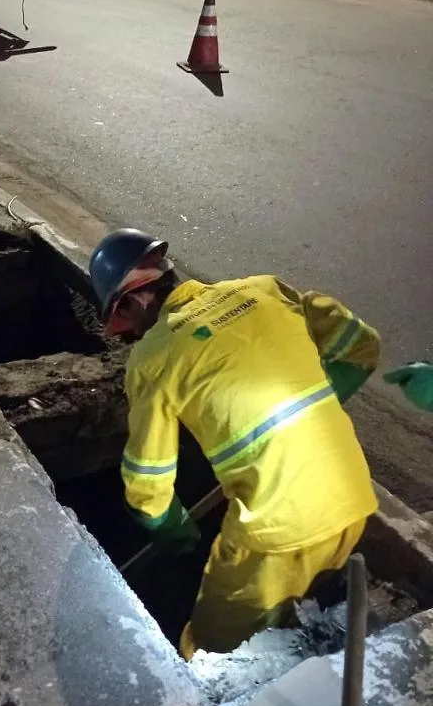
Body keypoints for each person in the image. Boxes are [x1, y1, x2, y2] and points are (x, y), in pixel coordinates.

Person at [89, 228, 380, 660]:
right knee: (296, 611)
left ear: (133, 300)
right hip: (351, 502)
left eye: (125, 320)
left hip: (275, 533)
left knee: (210, 652)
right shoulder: (263, 289)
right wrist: (313, 405)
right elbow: (361, 346)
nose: (130, 332)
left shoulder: (154, 357)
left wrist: (171, 527)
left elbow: (146, 478)